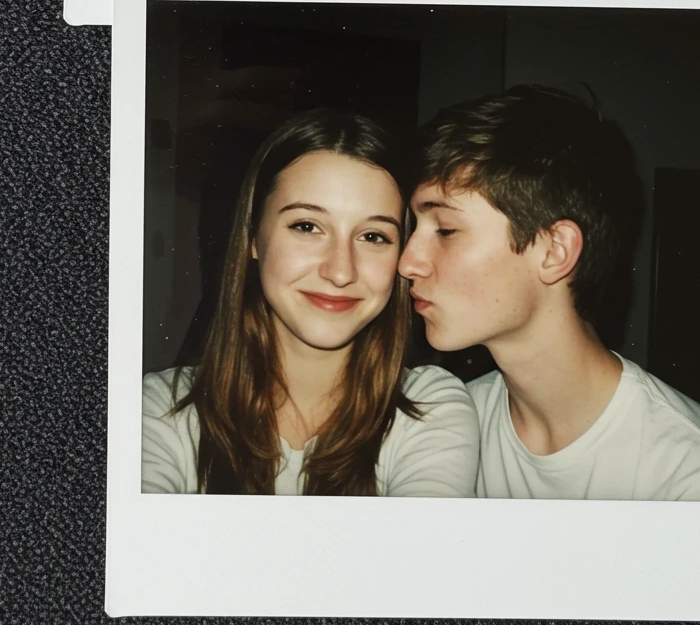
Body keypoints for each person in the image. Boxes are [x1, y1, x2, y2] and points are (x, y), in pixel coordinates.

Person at [398, 85, 700, 502]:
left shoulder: (695, 481)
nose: (408, 263)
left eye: (446, 230)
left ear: (554, 251)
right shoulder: (451, 430)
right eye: (416, 229)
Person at [141, 108, 479, 495]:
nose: (340, 272)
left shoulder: (428, 408)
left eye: (373, 236)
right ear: (254, 237)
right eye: (307, 226)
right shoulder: (158, 410)